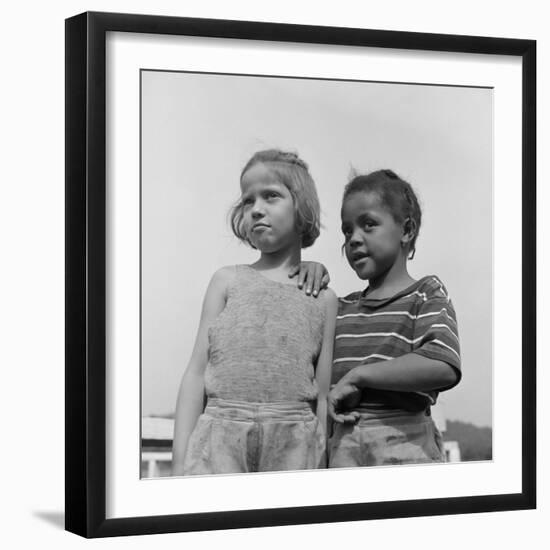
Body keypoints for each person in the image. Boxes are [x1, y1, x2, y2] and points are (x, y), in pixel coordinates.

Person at [171, 149, 338, 476]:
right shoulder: (226, 281)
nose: (257, 209)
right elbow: (195, 373)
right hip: (219, 435)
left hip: (296, 442)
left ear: (302, 206)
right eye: (248, 201)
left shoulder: (323, 298)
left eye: (271, 196)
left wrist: (324, 468)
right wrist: (179, 461)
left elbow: (322, 394)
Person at [295, 169, 461, 467]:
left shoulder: (425, 293)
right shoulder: (340, 307)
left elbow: (442, 364)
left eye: (368, 224)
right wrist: (305, 273)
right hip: (341, 444)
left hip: (408, 443)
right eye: (347, 231)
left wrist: (361, 375)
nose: (354, 239)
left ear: (406, 230)